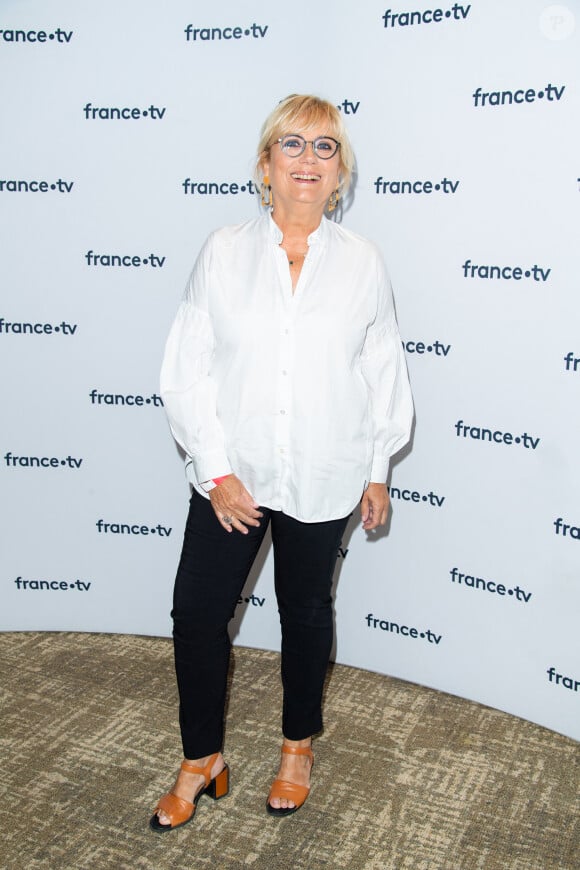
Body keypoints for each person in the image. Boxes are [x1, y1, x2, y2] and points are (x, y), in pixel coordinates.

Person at [150, 94, 413, 832]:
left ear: (341, 175)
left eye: (324, 148)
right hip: (233, 476)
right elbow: (186, 371)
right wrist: (218, 473)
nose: (307, 160)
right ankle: (201, 757)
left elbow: (381, 367)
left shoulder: (362, 262)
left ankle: (296, 748)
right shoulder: (223, 250)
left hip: (326, 472)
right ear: (266, 166)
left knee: (305, 613)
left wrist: (377, 469)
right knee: (197, 618)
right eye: (291, 145)